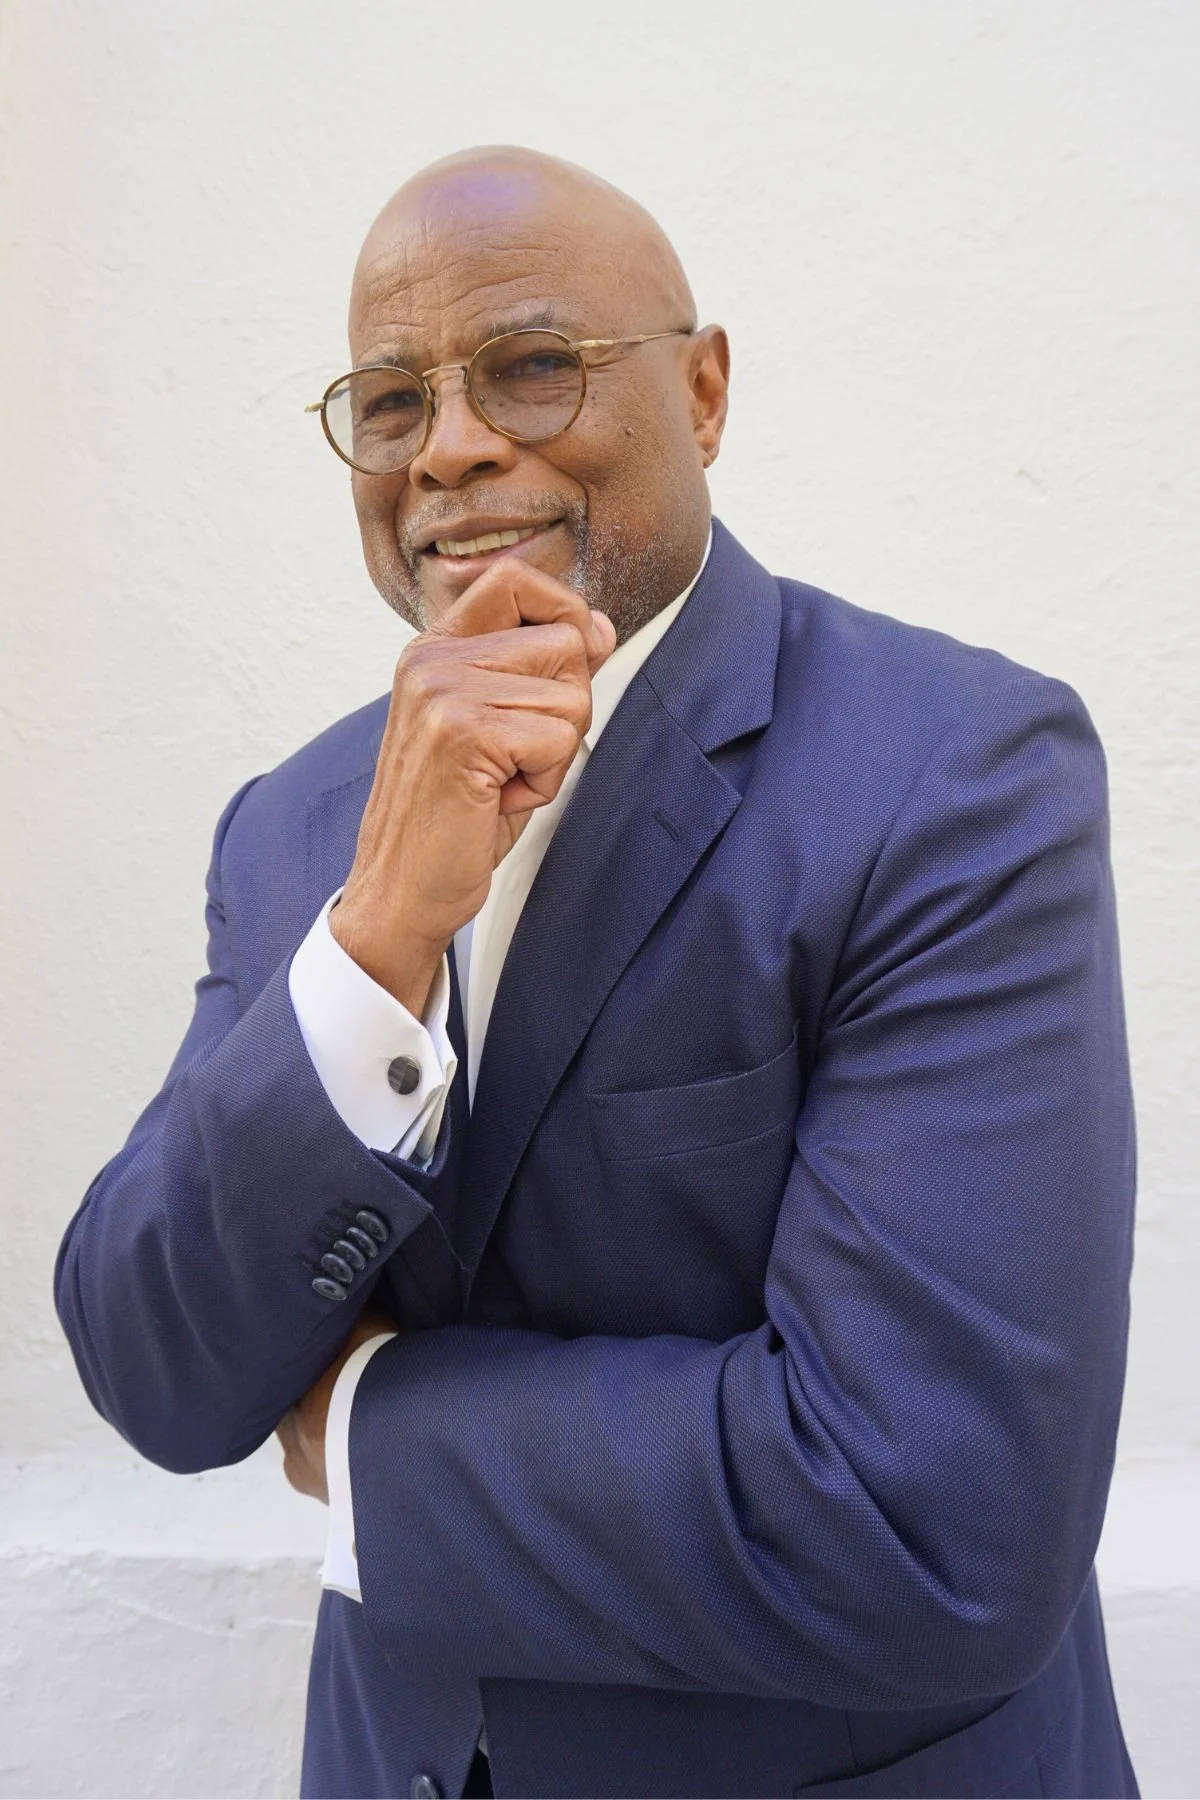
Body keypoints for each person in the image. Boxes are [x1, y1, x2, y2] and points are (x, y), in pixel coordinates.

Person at [54, 146, 1139, 1800]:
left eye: (533, 366)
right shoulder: (296, 835)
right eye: (393, 400)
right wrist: (376, 945)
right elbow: (156, 1367)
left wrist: (365, 1434)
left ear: (703, 395)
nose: (454, 443)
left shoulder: (954, 778)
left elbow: (937, 1523)